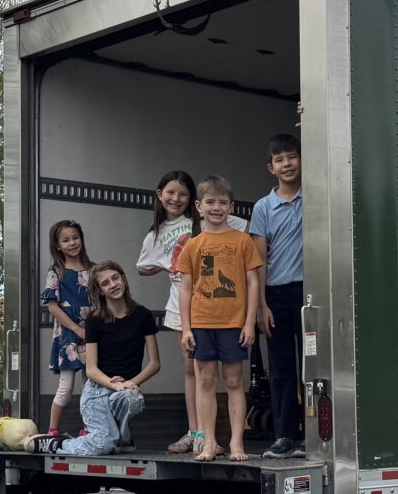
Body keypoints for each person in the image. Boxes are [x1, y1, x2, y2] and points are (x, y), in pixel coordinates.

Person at [135, 170, 249, 454]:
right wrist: (167, 264)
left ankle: (212, 437)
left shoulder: (202, 220)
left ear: (193, 201)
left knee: (215, 375)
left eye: (183, 194)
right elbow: (141, 266)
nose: (176, 199)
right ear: (159, 195)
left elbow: (246, 230)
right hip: (181, 306)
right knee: (192, 369)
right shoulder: (155, 233)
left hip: (218, 306)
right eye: (170, 193)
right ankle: (195, 432)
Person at [179, 176, 264, 461]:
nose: (217, 207)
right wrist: (186, 328)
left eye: (223, 202)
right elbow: (186, 288)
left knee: (233, 381)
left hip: (234, 323)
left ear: (231, 207)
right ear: (199, 207)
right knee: (205, 381)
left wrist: (249, 322)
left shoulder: (242, 241)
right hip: (202, 322)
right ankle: (209, 444)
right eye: (211, 202)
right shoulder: (192, 245)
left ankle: (237, 444)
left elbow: (253, 282)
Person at [40, 262, 160, 455]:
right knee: (102, 445)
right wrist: (115, 385)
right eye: (105, 283)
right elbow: (91, 370)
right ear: (100, 291)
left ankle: (119, 438)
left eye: (115, 278)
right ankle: (58, 445)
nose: (112, 285)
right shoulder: (94, 320)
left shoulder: (142, 315)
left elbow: (154, 363)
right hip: (97, 392)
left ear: (124, 280)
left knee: (133, 399)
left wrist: (129, 384)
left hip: (124, 389)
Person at [251, 131, 305, 458]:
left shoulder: (315, 196)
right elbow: (258, 261)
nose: (287, 164)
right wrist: (261, 306)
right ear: (270, 167)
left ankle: (319, 434)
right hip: (276, 295)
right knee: (282, 367)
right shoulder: (263, 208)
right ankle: (286, 436)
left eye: (292, 157)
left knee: (315, 367)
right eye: (280, 160)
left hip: (312, 294)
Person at [41, 219, 95, 437]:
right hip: (68, 333)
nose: (72, 243)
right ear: (57, 245)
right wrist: (76, 328)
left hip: (92, 331)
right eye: (66, 240)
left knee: (91, 383)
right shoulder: (56, 272)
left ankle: (89, 428)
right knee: (67, 384)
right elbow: (53, 307)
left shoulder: (94, 270)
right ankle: (53, 430)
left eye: (75, 237)